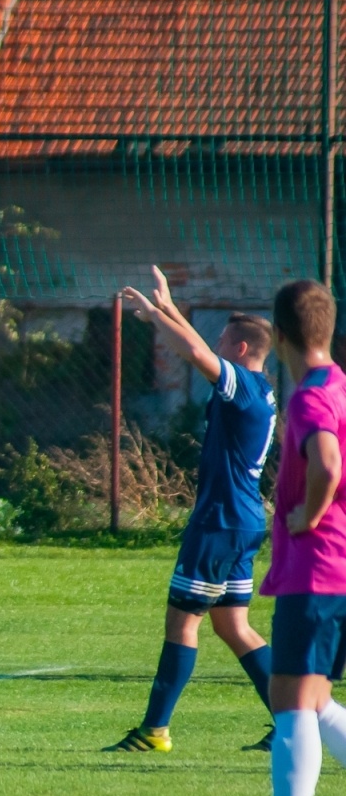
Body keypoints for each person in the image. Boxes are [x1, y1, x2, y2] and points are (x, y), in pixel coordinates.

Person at [108, 267, 277, 753]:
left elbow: (196, 353)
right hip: (242, 519)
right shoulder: (259, 387)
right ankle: (290, 721)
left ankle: (154, 730)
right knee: (233, 625)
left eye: (224, 337)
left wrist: (161, 313)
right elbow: (198, 346)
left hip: (220, 521)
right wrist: (162, 312)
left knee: (183, 624)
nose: (216, 343)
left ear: (240, 349)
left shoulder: (242, 386)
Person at [233, 280, 346, 796]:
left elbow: (327, 462)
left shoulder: (308, 400)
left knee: (293, 703)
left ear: (278, 336)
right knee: (312, 699)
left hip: (319, 570)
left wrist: (312, 512)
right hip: (336, 571)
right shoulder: (341, 386)